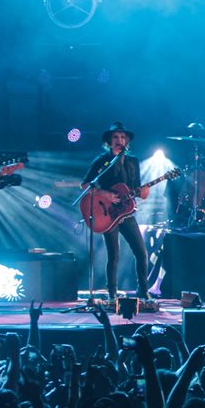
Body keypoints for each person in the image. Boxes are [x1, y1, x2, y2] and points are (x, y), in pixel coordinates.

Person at [81, 122, 150, 302]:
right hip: (107, 213)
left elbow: (137, 188)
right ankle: (112, 292)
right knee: (114, 254)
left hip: (126, 213)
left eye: (122, 137)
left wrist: (143, 193)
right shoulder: (102, 161)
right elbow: (86, 185)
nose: (120, 140)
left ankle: (143, 291)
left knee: (141, 253)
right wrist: (105, 194)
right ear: (109, 141)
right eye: (116, 137)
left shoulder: (133, 161)